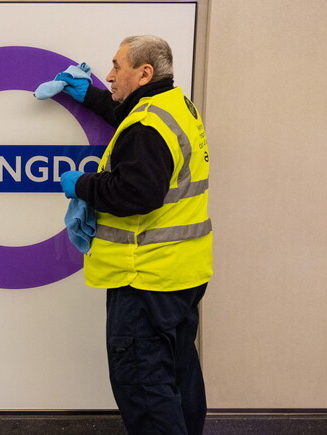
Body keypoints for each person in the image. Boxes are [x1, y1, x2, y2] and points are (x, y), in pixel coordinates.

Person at [39, 35, 212, 435]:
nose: (109, 74)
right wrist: (95, 98)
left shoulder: (148, 125)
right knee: (177, 378)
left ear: (144, 73)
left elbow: (136, 191)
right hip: (181, 274)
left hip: (144, 277)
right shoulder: (173, 106)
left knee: (144, 389)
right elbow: (134, 130)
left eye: (118, 67)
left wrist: (82, 184)